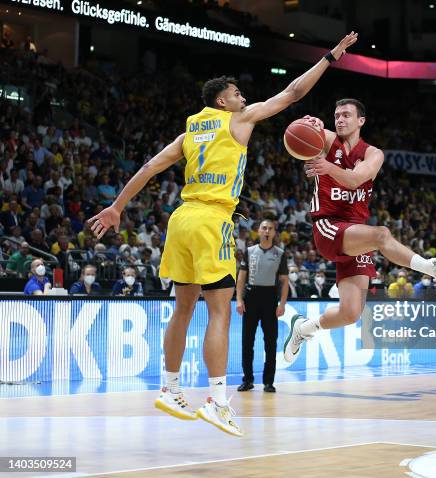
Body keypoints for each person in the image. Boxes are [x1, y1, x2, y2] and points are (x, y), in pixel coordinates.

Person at [87, 32, 359, 437]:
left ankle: (171, 387)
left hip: (181, 219)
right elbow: (292, 92)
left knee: (182, 309)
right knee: (217, 311)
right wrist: (330, 57)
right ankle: (217, 401)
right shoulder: (239, 120)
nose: (243, 98)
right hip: (212, 218)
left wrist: (117, 206)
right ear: (222, 101)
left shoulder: (189, 132)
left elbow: (149, 168)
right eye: (236, 93)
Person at [283, 99, 436, 363]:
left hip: (355, 233)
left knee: (351, 313)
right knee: (381, 235)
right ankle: (433, 268)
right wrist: (309, 123)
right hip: (328, 225)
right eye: (336, 115)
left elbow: (355, 180)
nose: (339, 119)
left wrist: (328, 167)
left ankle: (302, 328)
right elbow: (298, 131)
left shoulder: (373, 154)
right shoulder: (326, 140)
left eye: (346, 115)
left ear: (360, 121)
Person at [236, 220, 288, 393]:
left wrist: (282, 304)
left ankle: (268, 382)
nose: (267, 231)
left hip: (270, 298)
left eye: (270, 229)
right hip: (251, 298)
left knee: (270, 343)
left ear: (274, 233)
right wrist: (239, 300)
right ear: (258, 231)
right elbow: (241, 278)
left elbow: (284, 281)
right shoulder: (249, 251)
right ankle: (248, 380)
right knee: (247, 342)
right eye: (264, 228)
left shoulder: (280, 253)